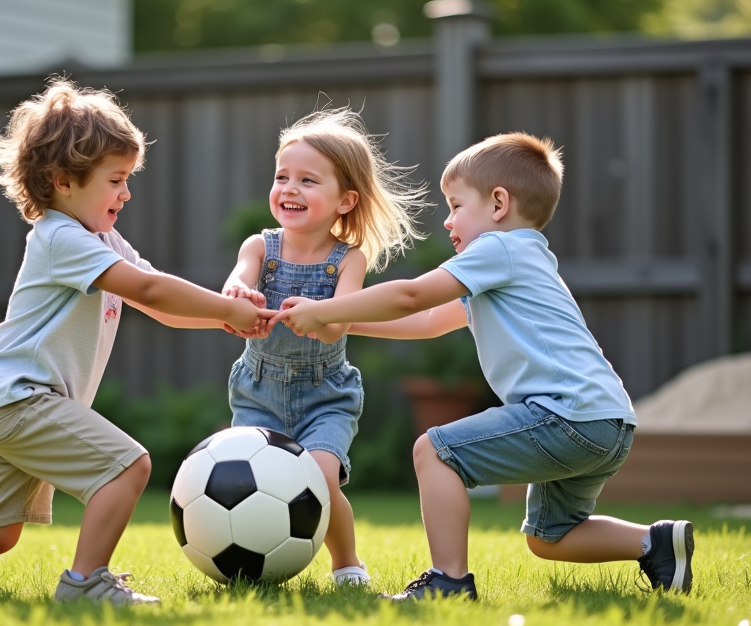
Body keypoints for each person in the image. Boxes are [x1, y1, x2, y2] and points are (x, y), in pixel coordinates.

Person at [0, 79, 270, 606]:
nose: (126, 193)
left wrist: (227, 320)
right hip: (22, 399)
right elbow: (147, 287)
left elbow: (157, 303)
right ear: (63, 181)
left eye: (128, 179)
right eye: (116, 180)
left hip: (0, 404)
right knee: (127, 466)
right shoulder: (60, 237)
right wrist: (225, 306)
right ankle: (85, 583)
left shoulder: (100, 239)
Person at [272, 132, 694, 601]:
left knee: (434, 451)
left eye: (455, 206)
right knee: (549, 537)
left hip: (566, 415)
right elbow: (429, 321)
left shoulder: (500, 250)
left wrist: (324, 309)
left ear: (498, 204)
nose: (448, 221)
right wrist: (333, 322)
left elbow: (412, 295)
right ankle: (655, 543)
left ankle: (448, 581)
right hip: (606, 421)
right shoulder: (519, 264)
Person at [221, 108, 426, 587]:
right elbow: (236, 282)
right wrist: (241, 295)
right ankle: (251, 560)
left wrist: (318, 314)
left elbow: (339, 326)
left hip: (325, 395)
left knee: (321, 478)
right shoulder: (260, 247)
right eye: (282, 177)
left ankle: (346, 562)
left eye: (308, 181)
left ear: (344, 200)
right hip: (258, 390)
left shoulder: (347, 260)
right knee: (253, 482)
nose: (290, 189)